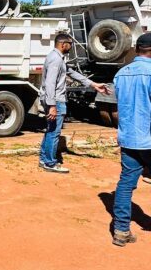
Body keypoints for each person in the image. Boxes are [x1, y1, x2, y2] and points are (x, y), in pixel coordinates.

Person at [39, 31, 109, 173]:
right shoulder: (56, 59)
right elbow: (50, 83)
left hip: (53, 99)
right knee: (54, 132)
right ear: (63, 44)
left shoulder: (57, 58)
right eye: (70, 44)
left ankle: (44, 158)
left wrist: (93, 84)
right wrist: (52, 105)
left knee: (51, 130)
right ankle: (50, 163)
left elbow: (72, 73)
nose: (71, 47)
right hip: (56, 100)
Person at [112, 32, 151, 246]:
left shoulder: (121, 74)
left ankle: (121, 231)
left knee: (126, 184)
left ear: (137, 49)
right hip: (148, 138)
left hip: (128, 137)